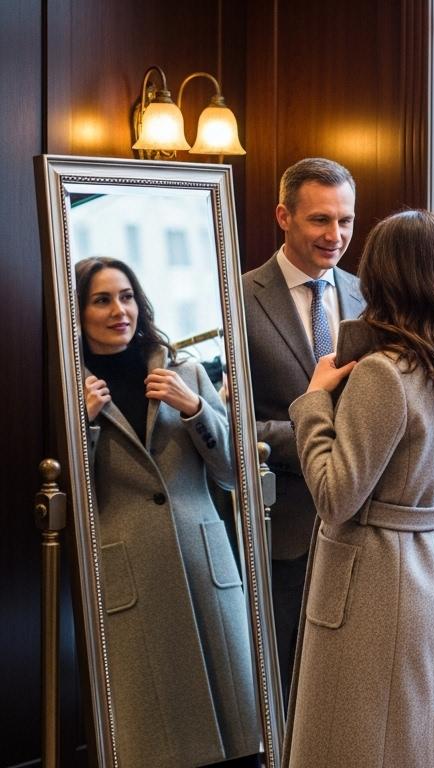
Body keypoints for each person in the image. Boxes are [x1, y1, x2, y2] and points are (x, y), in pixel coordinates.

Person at [281, 210, 434, 767]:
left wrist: (314, 401)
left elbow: (334, 495)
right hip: (429, 565)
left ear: (381, 276)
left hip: (370, 572)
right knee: (410, 733)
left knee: (355, 741)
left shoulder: (382, 372)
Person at [78, 256, 259, 766]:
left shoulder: (186, 371)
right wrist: (85, 427)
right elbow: (74, 498)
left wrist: (196, 409)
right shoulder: (70, 391)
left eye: (127, 296)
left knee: (238, 732)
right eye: (103, 299)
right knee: (157, 739)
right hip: (132, 575)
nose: (120, 310)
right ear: (79, 311)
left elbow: (232, 471)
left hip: (204, 567)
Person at [241, 157, 364, 695]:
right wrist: (325, 443)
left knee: (344, 692)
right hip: (282, 530)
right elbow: (231, 426)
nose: (334, 235)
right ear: (283, 217)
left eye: (345, 221)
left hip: (362, 530)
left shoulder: (368, 296)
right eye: (320, 220)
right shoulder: (236, 298)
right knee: (283, 690)